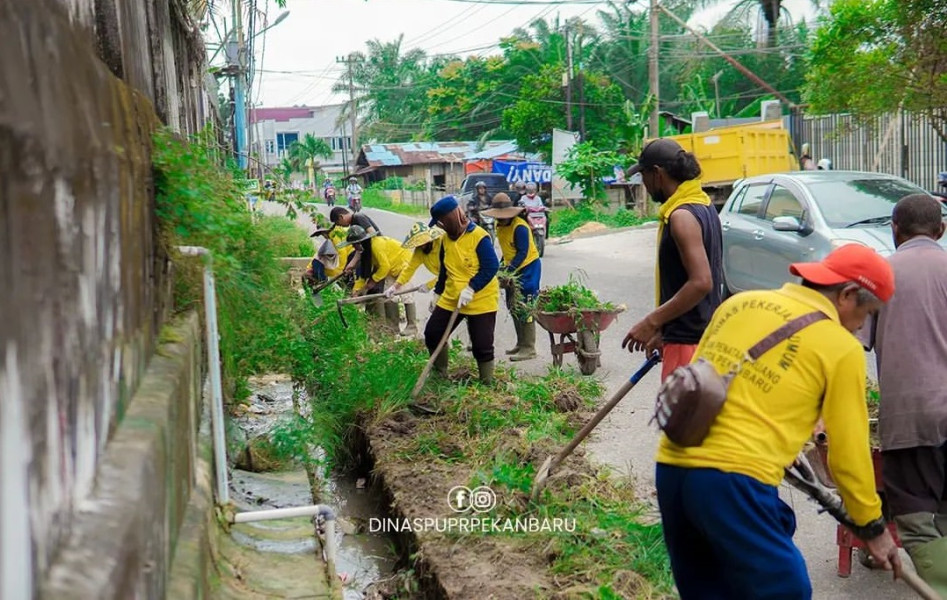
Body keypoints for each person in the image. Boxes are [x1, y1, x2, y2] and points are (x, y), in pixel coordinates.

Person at [657, 244, 902, 599]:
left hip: (672, 467)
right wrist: (872, 525)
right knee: (787, 590)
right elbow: (848, 454)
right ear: (848, 294)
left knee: (709, 590)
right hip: (733, 481)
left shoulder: (737, 304)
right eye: (868, 313)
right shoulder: (840, 347)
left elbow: (709, 382)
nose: (863, 326)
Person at [861, 194, 947, 594]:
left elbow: (854, 338)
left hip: (910, 414)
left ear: (894, 231)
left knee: (913, 516)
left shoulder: (881, 275)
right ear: (941, 230)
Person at [622, 138, 724, 381]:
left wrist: (651, 321)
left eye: (643, 175)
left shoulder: (682, 216)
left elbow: (701, 282)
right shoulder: (704, 205)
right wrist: (666, 331)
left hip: (688, 344)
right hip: (696, 337)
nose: (644, 184)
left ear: (657, 173)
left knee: (679, 418)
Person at [426, 195, 500, 385]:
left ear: (449, 218)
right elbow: (444, 269)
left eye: (441, 222)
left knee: (482, 345)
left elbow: (491, 267)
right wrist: (437, 292)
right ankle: (440, 375)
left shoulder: (479, 236)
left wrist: (471, 288)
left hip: (480, 298)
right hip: (451, 297)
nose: (439, 226)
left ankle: (487, 384)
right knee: (433, 333)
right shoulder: (445, 240)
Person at [483, 193, 540, 361]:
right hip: (513, 267)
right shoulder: (499, 226)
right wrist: (501, 268)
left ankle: (529, 348)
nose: (500, 220)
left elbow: (522, 252)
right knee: (512, 305)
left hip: (528, 268)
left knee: (525, 306)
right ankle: (520, 343)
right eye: (498, 217)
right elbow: (507, 250)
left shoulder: (520, 227)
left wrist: (510, 271)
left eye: (503, 217)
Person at [338, 225, 415, 335]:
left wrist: (372, 281)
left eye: (354, 244)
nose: (354, 248)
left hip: (404, 264)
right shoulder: (365, 252)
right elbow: (364, 274)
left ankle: (412, 325)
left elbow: (384, 267)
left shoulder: (376, 245)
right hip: (391, 269)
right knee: (389, 297)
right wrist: (357, 290)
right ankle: (393, 328)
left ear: (360, 242)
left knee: (406, 295)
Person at [383, 222, 445, 337]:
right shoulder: (420, 251)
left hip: (457, 278)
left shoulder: (442, 243)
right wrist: (395, 286)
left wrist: (429, 285)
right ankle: (440, 340)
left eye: (423, 243)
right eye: (419, 244)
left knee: (463, 311)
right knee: (439, 312)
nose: (421, 246)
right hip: (443, 281)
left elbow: (448, 272)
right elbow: (409, 269)